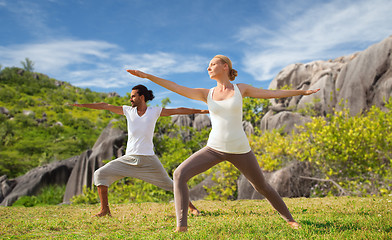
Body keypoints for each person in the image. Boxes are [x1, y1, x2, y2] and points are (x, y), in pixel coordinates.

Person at [127, 55, 320, 232]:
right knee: (179, 174)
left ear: (225, 66)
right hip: (214, 149)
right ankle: (182, 227)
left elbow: (271, 93)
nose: (208, 67)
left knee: (261, 186)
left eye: (212, 64)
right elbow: (175, 87)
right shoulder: (206, 93)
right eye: (208, 65)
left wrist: (302, 91)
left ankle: (290, 219)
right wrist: (147, 76)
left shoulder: (240, 89)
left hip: (240, 149)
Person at [71, 84, 208, 217]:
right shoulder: (128, 111)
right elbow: (105, 106)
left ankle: (192, 208)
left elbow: (178, 110)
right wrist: (82, 105)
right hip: (129, 159)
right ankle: (105, 210)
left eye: (133, 96)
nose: (130, 99)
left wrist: (202, 111)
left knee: (171, 185)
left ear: (141, 97)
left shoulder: (154, 111)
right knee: (100, 174)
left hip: (149, 159)